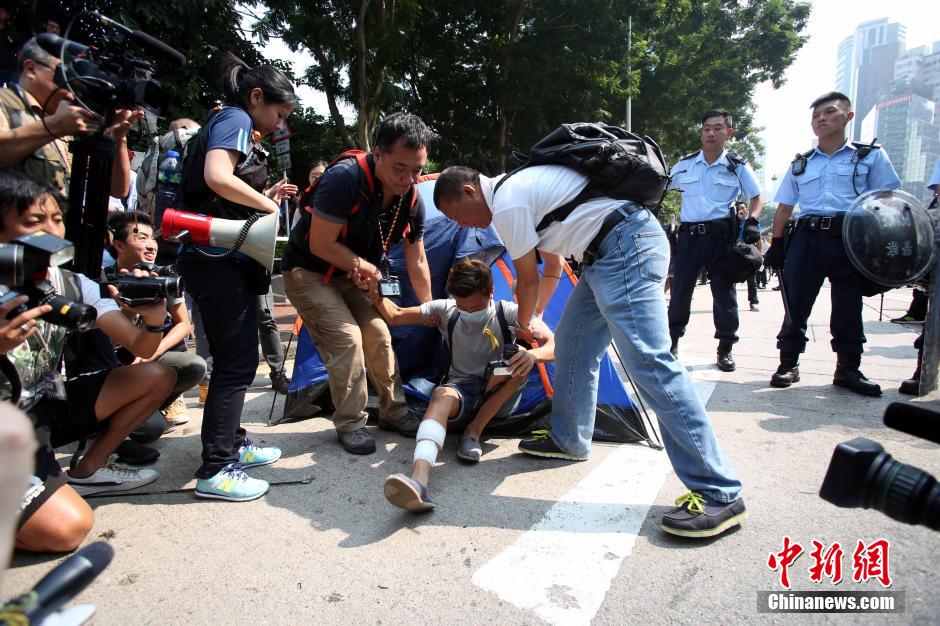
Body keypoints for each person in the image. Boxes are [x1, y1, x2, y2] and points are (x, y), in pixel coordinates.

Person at [433, 165, 746, 538]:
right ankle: (570, 438)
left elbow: (528, 280)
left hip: (627, 246)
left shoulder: (507, 202)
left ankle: (718, 491)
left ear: (469, 192)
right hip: (602, 256)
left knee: (649, 362)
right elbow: (551, 269)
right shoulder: (518, 191)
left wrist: (522, 327)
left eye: (456, 216)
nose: (464, 226)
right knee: (573, 346)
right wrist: (532, 320)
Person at [0, 172, 175, 553]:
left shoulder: (72, 283)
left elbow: (141, 348)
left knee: (158, 374)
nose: (53, 232)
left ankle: (87, 470)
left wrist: (155, 316)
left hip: (45, 410)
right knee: (68, 529)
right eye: (34, 222)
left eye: (57, 219)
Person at [175, 53, 295, 501]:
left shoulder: (231, 121)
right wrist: (268, 206)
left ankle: (232, 442)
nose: (280, 124)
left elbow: (217, 191)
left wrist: (261, 197)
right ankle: (217, 467)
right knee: (238, 362)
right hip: (215, 259)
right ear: (256, 96)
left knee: (235, 358)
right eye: (279, 114)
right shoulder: (235, 119)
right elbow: (216, 176)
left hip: (219, 256)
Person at [281, 113, 436, 455]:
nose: (410, 178)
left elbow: (418, 259)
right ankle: (350, 423)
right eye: (401, 168)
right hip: (308, 272)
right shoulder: (344, 179)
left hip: (351, 275)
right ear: (377, 154)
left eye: (418, 169)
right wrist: (366, 266)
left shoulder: (410, 198)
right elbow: (320, 244)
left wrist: (430, 309)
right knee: (348, 339)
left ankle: (394, 412)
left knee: (379, 334)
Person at [369, 260, 555, 511]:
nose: (469, 313)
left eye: (476, 307)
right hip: (462, 389)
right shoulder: (446, 309)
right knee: (440, 394)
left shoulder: (509, 311)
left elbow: (554, 344)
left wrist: (533, 355)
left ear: (490, 293)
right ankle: (419, 482)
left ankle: (473, 433)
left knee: (519, 363)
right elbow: (396, 317)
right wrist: (374, 294)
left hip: (499, 393)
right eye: (462, 307)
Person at [763, 92, 901, 395]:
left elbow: (886, 200)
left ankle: (848, 369)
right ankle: (788, 363)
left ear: (848, 117)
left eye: (829, 112)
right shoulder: (801, 164)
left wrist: (880, 242)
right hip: (806, 237)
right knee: (795, 302)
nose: (821, 119)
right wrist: (776, 244)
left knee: (848, 304)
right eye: (816, 116)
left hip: (849, 236)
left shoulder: (869, 156)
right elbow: (785, 207)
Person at [667, 109, 763, 370]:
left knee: (724, 295)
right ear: (701, 133)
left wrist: (751, 221)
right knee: (679, 292)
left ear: (728, 133)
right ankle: (672, 341)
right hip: (688, 236)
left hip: (721, 237)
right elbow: (660, 188)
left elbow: (757, 196)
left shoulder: (736, 165)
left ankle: (725, 348)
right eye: (707, 128)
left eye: (718, 128)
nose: (711, 132)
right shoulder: (685, 165)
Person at [0, 37, 138, 203]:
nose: (72, 83)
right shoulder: (5, 102)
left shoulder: (69, 120)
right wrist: (56, 126)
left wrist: (117, 138)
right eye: (64, 74)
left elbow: (117, 189)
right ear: (30, 69)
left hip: (57, 225)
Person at [106, 210, 207, 426]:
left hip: (148, 356)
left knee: (195, 366)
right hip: (114, 364)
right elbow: (104, 342)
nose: (152, 245)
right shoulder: (103, 282)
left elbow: (183, 324)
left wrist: (151, 353)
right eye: (142, 238)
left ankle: (157, 403)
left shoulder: (162, 277)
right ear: (119, 245)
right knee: (150, 429)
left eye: (152, 237)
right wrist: (130, 309)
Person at [736, 202, 761, 312]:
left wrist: (759, 256)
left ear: (747, 209)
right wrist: (737, 220)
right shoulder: (734, 221)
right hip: (736, 250)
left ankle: (754, 302)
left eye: (742, 208)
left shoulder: (752, 223)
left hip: (749, 250)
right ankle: (731, 303)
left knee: (752, 279)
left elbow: (758, 239)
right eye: (738, 208)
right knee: (731, 277)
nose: (740, 210)